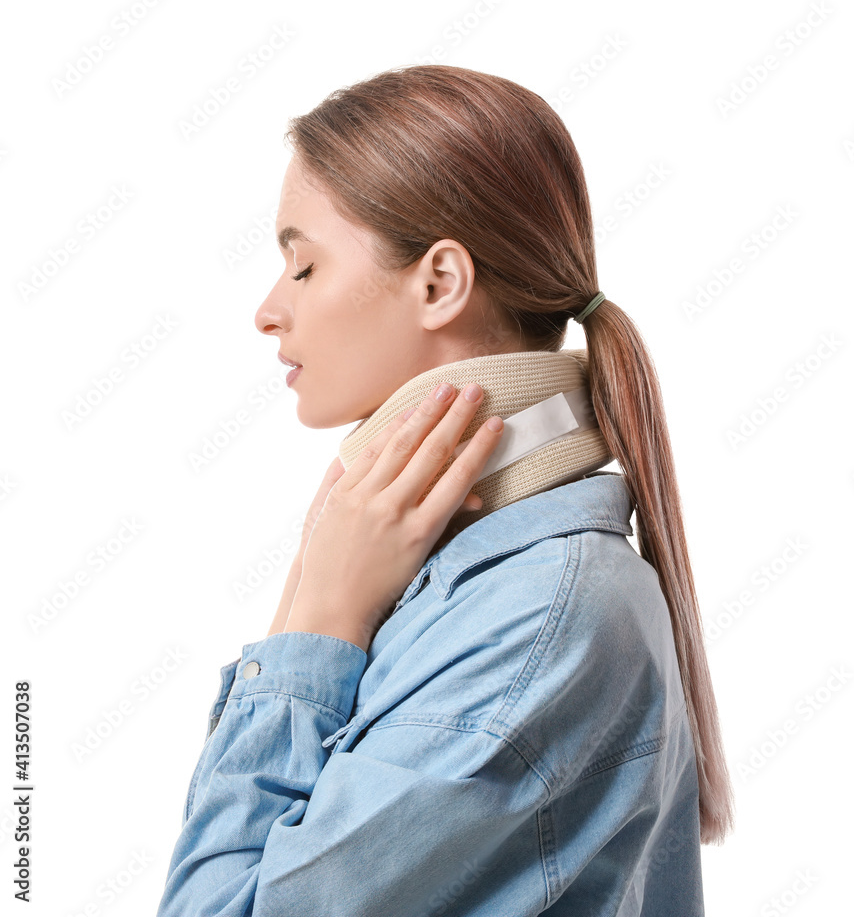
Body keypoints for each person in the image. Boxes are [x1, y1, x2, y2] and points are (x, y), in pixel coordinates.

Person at [156, 64, 734, 916]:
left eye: (303, 267)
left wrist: (316, 623)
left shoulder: (542, 616)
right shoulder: (481, 587)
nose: (268, 310)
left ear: (439, 283)